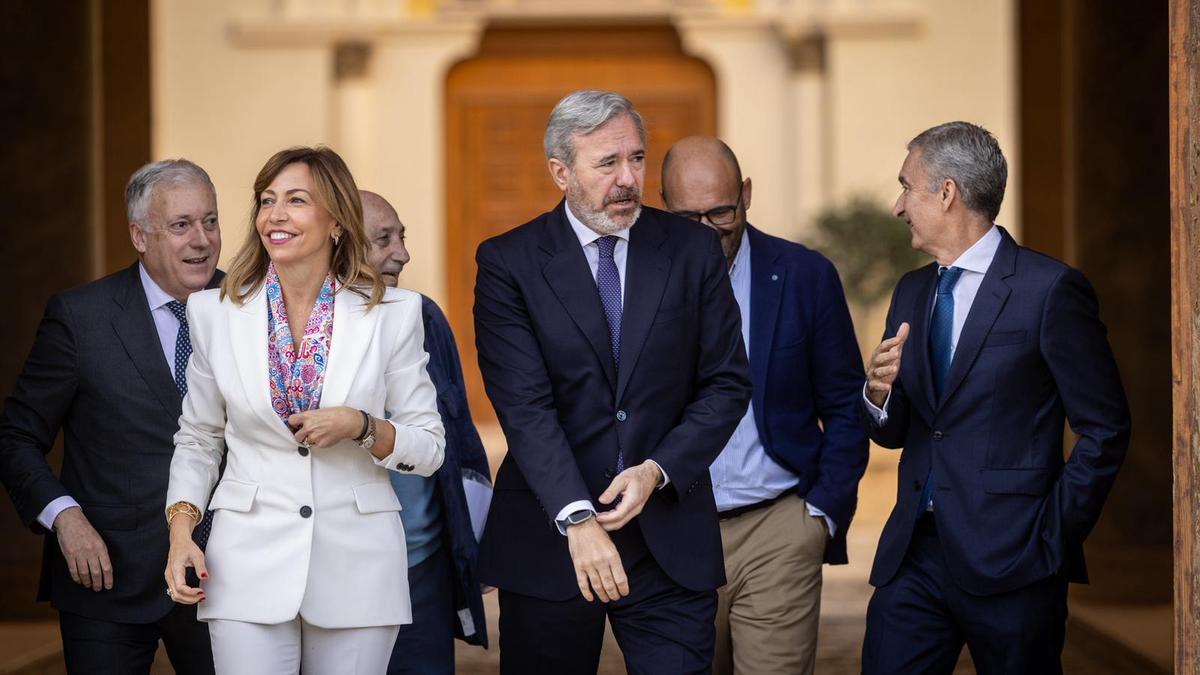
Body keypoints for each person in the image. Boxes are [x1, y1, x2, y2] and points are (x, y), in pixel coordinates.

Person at [473, 89, 752, 675]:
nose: (628, 179)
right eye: (607, 163)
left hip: (669, 536)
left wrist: (657, 470)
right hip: (551, 539)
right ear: (561, 172)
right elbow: (524, 407)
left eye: (637, 159)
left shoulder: (693, 250)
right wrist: (576, 517)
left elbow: (727, 383)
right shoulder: (508, 262)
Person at [163, 146, 445, 674]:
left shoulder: (395, 313)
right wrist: (182, 535)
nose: (275, 215)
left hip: (359, 566)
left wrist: (361, 426)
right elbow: (198, 438)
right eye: (267, 200)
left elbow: (429, 448)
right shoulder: (213, 312)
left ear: (336, 220)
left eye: (296, 200)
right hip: (244, 562)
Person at [861, 122, 1130, 673]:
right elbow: (897, 430)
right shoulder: (911, 291)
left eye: (906, 186)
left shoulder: (1049, 289)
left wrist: (1052, 535)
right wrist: (877, 393)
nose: (897, 205)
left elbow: (1105, 428)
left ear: (947, 192)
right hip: (915, 556)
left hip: (1017, 561)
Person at [0, 159, 220, 673]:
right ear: (139, 236)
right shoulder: (81, 318)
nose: (202, 240)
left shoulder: (249, 309)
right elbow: (15, 436)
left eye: (210, 221)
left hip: (222, 576)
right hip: (105, 575)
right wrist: (65, 517)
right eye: (181, 225)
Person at [660, 136, 869, 675]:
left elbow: (845, 404)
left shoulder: (805, 276)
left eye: (720, 212)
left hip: (778, 526)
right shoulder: (636, 281)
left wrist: (820, 515)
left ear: (746, 195)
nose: (706, 231)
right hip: (672, 531)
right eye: (688, 218)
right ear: (662, 207)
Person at [360, 190, 491, 673]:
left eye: (402, 237)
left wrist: (473, 541)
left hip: (423, 570)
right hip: (347, 573)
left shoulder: (423, 314)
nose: (403, 253)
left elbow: (460, 438)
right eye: (383, 240)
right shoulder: (305, 329)